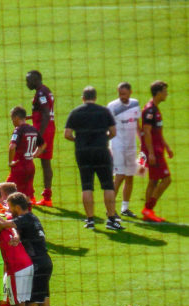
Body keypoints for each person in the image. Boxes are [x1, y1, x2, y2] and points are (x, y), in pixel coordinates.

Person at [64, 86, 123, 231]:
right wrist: (103, 139)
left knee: (87, 185)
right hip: (101, 151)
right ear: (95, 97)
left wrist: (78, 141)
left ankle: (90, 220)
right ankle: (111, 219)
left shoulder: (76, 112)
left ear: (83, 98)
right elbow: (113, 132)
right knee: (108, 185)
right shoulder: (104, 111)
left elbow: (67, 134)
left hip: (83, 152)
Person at [141, 80, 173, 222]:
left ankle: (148, 213)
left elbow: (157, 132)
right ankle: (148, 208)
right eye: (165, 91)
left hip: (158, 150)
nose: (166, 94)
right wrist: (151, 153)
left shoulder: (155, 108)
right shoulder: (149, 110)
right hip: (154, 152)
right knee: (166, 179)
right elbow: (146, 132)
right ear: (158, 93)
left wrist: (166, 146)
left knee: (153, 181)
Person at [107, 82, 141, 218]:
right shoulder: (112, 106)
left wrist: (142, 143)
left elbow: (138, 124)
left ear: (130, 92)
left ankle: (125, 208)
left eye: (124, 94)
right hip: (117, 146)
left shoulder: (135, 103)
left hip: (131, 146)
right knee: (119, 176)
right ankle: (110, 209)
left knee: (130, 176)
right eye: (120, 94)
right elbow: (107, 127)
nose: (122, 97)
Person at [26, 70, 55, 206]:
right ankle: (47, 198)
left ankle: (29, 196)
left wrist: (39, 135)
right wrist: (30, 117)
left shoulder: (41, 93)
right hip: (48, 129)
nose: (27, 83)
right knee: (45, 163)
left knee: (27, 160)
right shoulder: (45, 90)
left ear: (36, 79)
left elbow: (46, 114)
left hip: (43, 130)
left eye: (29, 80)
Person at [7, 106, 46, 201]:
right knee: (27, 195)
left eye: (12, 119)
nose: (12, 122)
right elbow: (43, 145)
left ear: (16, 118)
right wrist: (33, 155)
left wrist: (10, 162)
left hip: (19, 166)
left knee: (7, 191)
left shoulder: (18, 130)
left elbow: (12, 147)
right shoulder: (33, 129)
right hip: (30, 166)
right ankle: (28, 214)